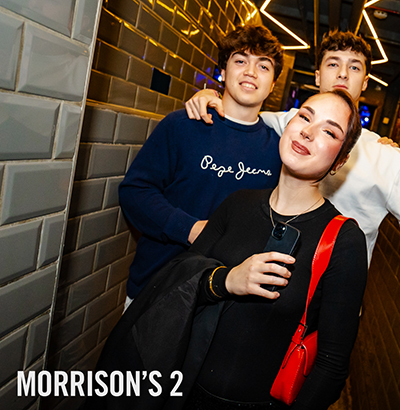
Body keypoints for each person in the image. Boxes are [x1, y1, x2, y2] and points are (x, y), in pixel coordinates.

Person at [89, 90, 367, 410]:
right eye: (305, 116)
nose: (308, 131)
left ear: (339, 161)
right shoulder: (238, 204)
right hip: (181, 394)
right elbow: (177, 283)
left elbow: (332, 365)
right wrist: (227, 280)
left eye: (329, 132)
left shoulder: (343, 240)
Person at [185, 30, 400, 264]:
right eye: (333, 64)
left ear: (365, 82)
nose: (343, 74)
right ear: (317, 76)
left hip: (330, 299)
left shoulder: (387, 158)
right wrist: (211, 97)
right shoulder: (290, 124)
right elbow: (241, 115)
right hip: (257, 283)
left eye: (354, 67)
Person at [118, 25, 285, 302]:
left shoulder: (278, 151)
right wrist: (190, 229)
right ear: (223, 72)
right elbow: (134, 192)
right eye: (240, 61)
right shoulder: (182, 125)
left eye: (263, 66)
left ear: (273, 84)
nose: (251, 72)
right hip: (156, 289)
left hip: (225, 302)